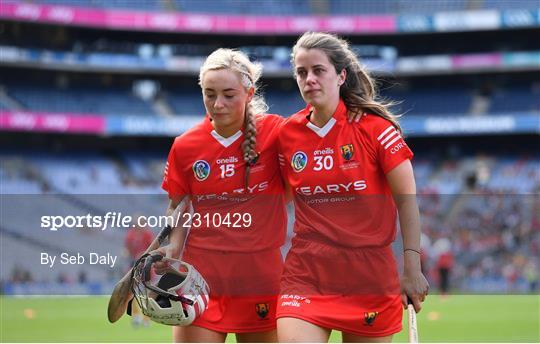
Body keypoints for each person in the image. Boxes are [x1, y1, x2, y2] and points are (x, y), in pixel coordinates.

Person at [276, 32, 429, 342]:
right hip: (307, 273)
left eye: (319, 70)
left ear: (341, 75)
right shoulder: (286, 134)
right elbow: (279, 199)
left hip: (369, 277)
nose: (310, 79)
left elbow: (407, 202)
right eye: (301, 72)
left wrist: (412, 268)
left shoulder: (376, 130)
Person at [155, 48, 288, 342]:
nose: (218, 104)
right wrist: (172, 247)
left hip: (261, 279)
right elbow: (177, 207)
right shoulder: (185, 145)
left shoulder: (278, 132)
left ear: (250, 93)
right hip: (200, 281)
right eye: (209, 94)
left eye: (229, 94)